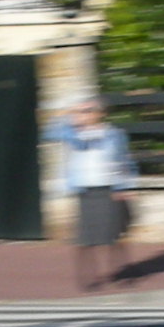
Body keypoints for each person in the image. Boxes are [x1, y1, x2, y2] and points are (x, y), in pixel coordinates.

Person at [47, 95, 138, 291]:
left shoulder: (114, 134)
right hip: (85, 191)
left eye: (88, 111)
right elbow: (49, 133)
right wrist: (69, 117)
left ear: (100, 113)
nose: (83, 115)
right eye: (81, 111)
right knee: (85, 238)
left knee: (112, 236)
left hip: (108, 190)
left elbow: (125, 161)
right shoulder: (73, 134)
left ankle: (122, 275)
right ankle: (87, 278)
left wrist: (125, 187)